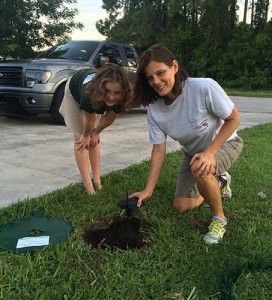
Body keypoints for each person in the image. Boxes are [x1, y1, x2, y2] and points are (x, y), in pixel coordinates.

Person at [129, 44, 243, 244]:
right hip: (193, 154)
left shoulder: (203, 87)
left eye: (160, 73)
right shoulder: (155, 109)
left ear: (174, 66)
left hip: (226, 143)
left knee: (201, 168)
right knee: (182, 205)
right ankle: (220, 183)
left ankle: (219, 219)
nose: (156, 81)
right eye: (150, 77)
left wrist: (210, 152)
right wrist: (148, 190)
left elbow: (233, 118)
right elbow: (158, 149)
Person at [59, 64, 133, 195]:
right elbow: (89, 119)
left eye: (117, 93)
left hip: (95, 96)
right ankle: (88, 185)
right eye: (108, 91)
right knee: (80, 138)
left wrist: (96, 132)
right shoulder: (90, 92)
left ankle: (97, 180)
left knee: (94, 138)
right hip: (74, 91)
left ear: (123, 91)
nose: (111, 97)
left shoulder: (125, 96)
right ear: (101, 88)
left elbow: (109, 119)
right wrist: (86, 135)